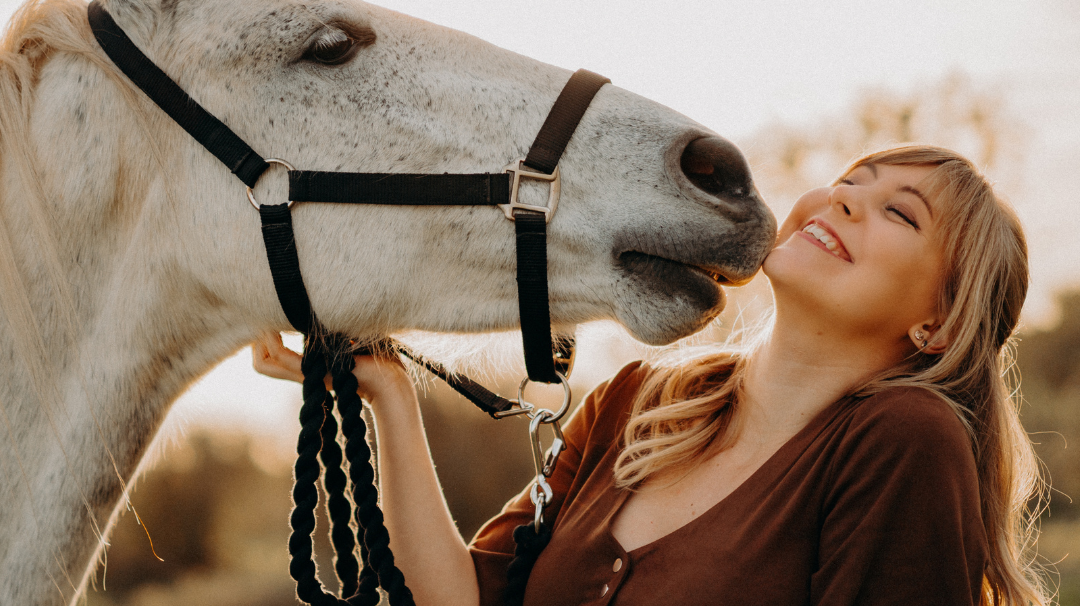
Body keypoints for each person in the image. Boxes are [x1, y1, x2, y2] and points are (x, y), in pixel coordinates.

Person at [254, 145, 1048, 605]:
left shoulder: (905, 441)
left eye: (899, 213)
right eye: (851, 181)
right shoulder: (640, 399)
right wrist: (389, 395)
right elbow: (458, 596)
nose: (841, 201)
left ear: (938, 323)